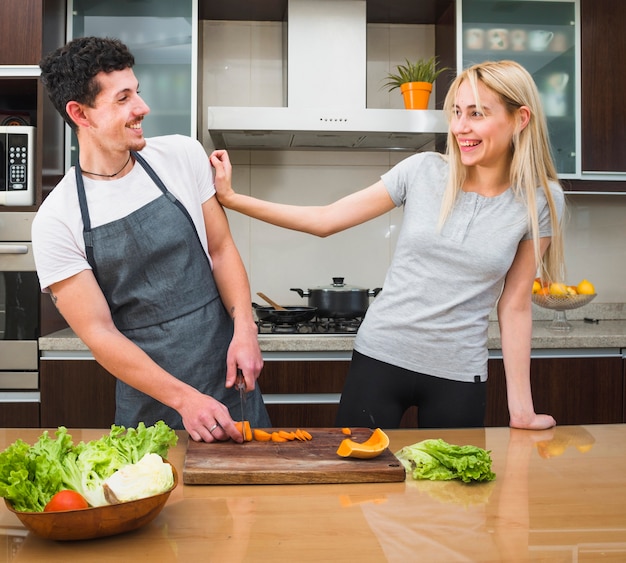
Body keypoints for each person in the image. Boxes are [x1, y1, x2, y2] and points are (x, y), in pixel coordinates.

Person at [211, 60, 565, 431]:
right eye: (457, 113)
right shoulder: (423, 171)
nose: (460, 128)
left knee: (456, 489)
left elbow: (515, 305)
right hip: (381, 357)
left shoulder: (540, 200)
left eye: (476, 114)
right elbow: (325, 220)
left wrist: (521, 411)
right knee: (355, 484)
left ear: (520, 118)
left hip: (459, 372)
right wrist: (233, 199)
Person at [33, 36, 270, 442]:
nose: (142, 108)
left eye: (137, 93)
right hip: (149, 405)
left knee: (251, 501)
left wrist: (245, 327)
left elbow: (221, 249)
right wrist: (184, 399)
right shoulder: (57, 219)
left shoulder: (182, 156)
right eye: (123, 98)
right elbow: (100, 334)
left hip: (228, 380)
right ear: (80, 114)